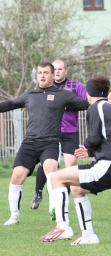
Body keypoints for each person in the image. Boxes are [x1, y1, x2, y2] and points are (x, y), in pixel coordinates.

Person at [0, 61, 89, 226]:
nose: (42, 75)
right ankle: (14, 216)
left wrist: (103, 98)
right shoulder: (30, 95)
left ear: (53, 75)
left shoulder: (63, 94)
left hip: (51, 142)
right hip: (30, 142)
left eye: (46, 72)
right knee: (17, 175)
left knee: (51, 170)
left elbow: (84, 104)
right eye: (40, 72)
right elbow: (11, 104)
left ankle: (54, 209)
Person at [40, 74, 111, 245]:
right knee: (77, 190)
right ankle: (88, 236)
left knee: (56, 177)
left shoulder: (96, 107)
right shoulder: (108, 107)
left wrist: (87, 146)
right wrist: (92, 153)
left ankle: (63, 226)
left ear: (89, 92)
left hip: (106, 166)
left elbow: (94, 138)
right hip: (105, 163)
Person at [30, 59, 87, 219]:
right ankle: (39, 193)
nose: (57, 72)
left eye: (60, 69)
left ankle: (59, 201)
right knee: (48, 164)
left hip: (70, 131)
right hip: (50, 132)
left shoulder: (76, 86)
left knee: (70, 165)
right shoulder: (46, 87)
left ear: (66, 71)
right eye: (54, 69)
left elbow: (86, 103)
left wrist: (65, 105)